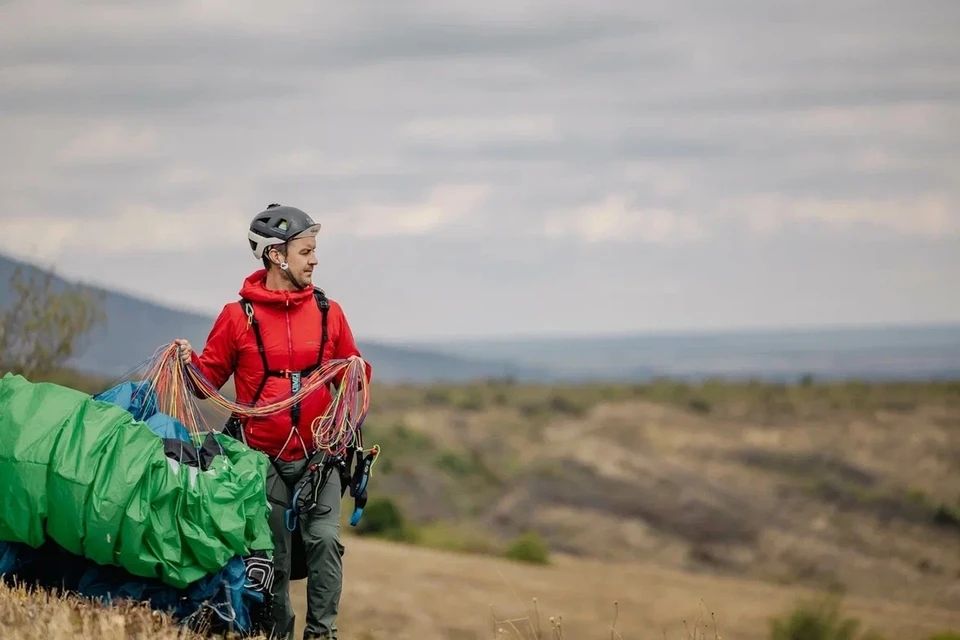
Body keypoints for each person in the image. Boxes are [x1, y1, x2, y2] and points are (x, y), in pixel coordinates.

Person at [174, 203, 372, 640]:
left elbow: (353, 377)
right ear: (276, 255)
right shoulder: (236, 318)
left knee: (323, 542)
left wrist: (358, 373)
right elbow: (208, 381)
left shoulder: (327, 312)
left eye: (314, 251)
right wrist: (188, 366)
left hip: (319, 459)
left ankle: (322, 635)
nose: (315, 260)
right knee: (275, 559)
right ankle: (276, 635)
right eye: (306, 251)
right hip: (261, 460)